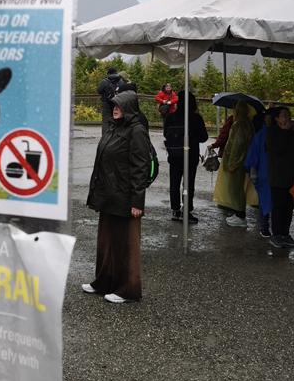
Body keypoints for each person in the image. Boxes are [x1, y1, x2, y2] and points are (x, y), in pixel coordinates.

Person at [83, 90, 153, 303]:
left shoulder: (137, 131)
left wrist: (136, 202)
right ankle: (103, 282)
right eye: (113, 105)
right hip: (108, 196)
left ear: (129, 108)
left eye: (120, 105)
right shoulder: (113, 129)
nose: (115, 108)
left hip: (125, 197)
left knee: (125, 245)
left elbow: (141, 167)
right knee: (106, 243)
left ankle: (127, 290)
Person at [265, 107, 294, 248]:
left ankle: (285, 234)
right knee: (278, 207)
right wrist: (284, 131)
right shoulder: (272, 133)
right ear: (277, 119)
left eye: (288, 115)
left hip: (293, 177)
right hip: (278, 177)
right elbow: (277, 149)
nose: (287, 118)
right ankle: (277, 235)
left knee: (288, 207)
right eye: (284, 116)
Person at [163, 91, 207, 223]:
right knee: (188, 184)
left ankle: (175, 210)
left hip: (174, 154)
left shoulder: (171, 117)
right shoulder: (196, 118)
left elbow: (166, 133)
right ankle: (187, 210)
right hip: (190, 155)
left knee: (174, 183)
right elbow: (204, 137)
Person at [212, 101, 254, 227]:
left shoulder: (239, 124)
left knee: (235, 188)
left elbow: (237, 145)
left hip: (237, 161)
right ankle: (239, 213)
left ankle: (240, 215)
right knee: (238, 187)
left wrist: (232, 162)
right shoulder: (248, 123)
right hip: (244, 160)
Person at [244, 113, 273, 239]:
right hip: (268, 172)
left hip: (264, 172)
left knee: (265, 199)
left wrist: (250, 169)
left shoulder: (260, 135)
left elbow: (253, 156)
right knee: (270, 199)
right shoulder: (264, 135)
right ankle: (266, 226)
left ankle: (265, 226)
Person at [97, 67, 121, 133]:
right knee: (117, 119)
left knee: (106, 121)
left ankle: (105, 137)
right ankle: (115, 136)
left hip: (106, 103)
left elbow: (99, 91)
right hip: (117, 103)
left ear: (108, 73)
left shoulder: (104, 81)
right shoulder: (120, 81)